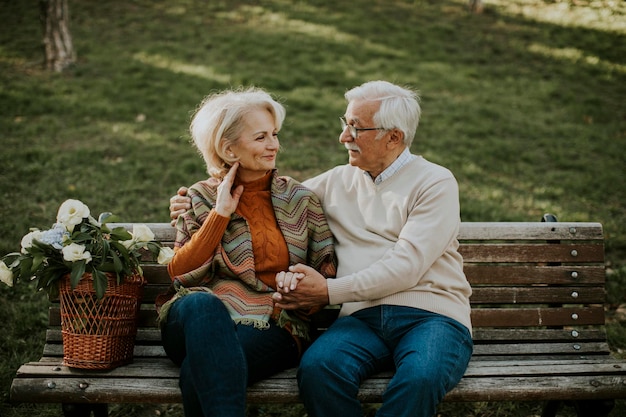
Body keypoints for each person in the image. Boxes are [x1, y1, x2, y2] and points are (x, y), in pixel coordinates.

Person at [170, 80, 473, 417]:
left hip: (432, 318)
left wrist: (327, 291)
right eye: (345, 124)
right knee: (319, 371)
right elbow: (267, 197)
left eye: (356, 128)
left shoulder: (435, 182)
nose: (344, 137)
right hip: (362, 319)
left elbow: (407, 266)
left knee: (419, 380)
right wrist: (195, 203)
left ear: (394, 137)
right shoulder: (338, 181)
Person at [160, 87, 336, 417]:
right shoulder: (200, 197)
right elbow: (181, 272)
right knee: (201, 302)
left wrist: (299, 287)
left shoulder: (301, 199)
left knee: (196, 373)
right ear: (228, 149)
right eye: (260, 138)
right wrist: (221, 213)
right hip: (196, 322)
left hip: (274, 323)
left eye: (274, 135)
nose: (274, 145)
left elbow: (324, 271)